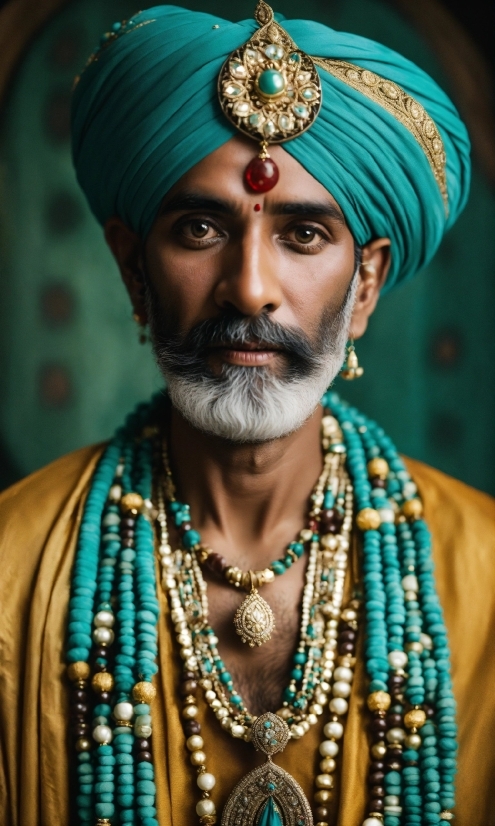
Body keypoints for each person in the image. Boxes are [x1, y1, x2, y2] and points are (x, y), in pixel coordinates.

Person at [0, 3, 494, 825]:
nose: (250, 286)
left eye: (302, 235)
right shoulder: (13, 568)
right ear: (133, 271)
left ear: (364, 285)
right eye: (200, 228)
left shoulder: (479, 574)